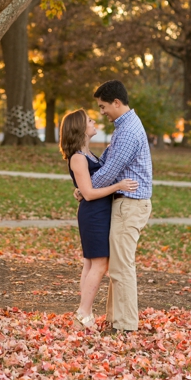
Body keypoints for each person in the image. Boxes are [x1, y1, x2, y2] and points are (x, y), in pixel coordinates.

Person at [80, 80, 154, 334]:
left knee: (122, 267)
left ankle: (125, 325)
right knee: (118, 266)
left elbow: (111, 170)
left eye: (103, 107)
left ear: (117, 103)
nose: (101, 113)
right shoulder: (124, 127)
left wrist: (85, 190)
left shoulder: (129, 130)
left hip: (130, 205)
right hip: (125, 204)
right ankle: (115, 319)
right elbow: (109, 163)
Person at [59, 109, 138, 330]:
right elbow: (90, 193)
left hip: (98, 212)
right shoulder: (77, 157)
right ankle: (83, 314)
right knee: (100, 264)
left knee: (90, 264)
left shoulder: (89, 154)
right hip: (94, 215)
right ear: (80, 128)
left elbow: (85, 188)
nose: (94, 122)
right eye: (90, 120)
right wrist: (119, 186)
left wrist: (81, 190)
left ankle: (84, 314)